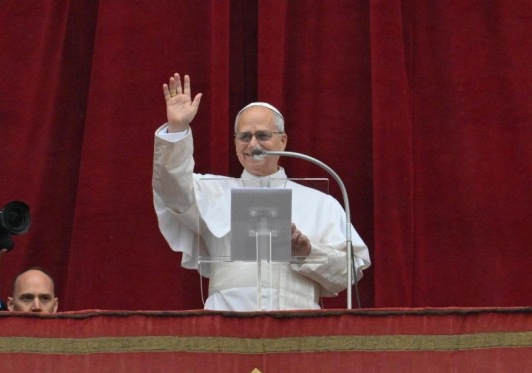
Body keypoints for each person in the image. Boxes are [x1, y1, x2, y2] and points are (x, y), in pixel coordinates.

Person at [153, 73, 371, 311]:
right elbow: (170, 187)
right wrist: (177, 128)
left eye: (263, 135)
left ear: (283, 141)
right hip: (227, 323)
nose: (253, 144)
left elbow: (348, 272)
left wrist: (307, 251)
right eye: (244, 137)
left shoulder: (321, 203)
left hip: (298, 328)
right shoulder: (211, 191)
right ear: (236, 144)